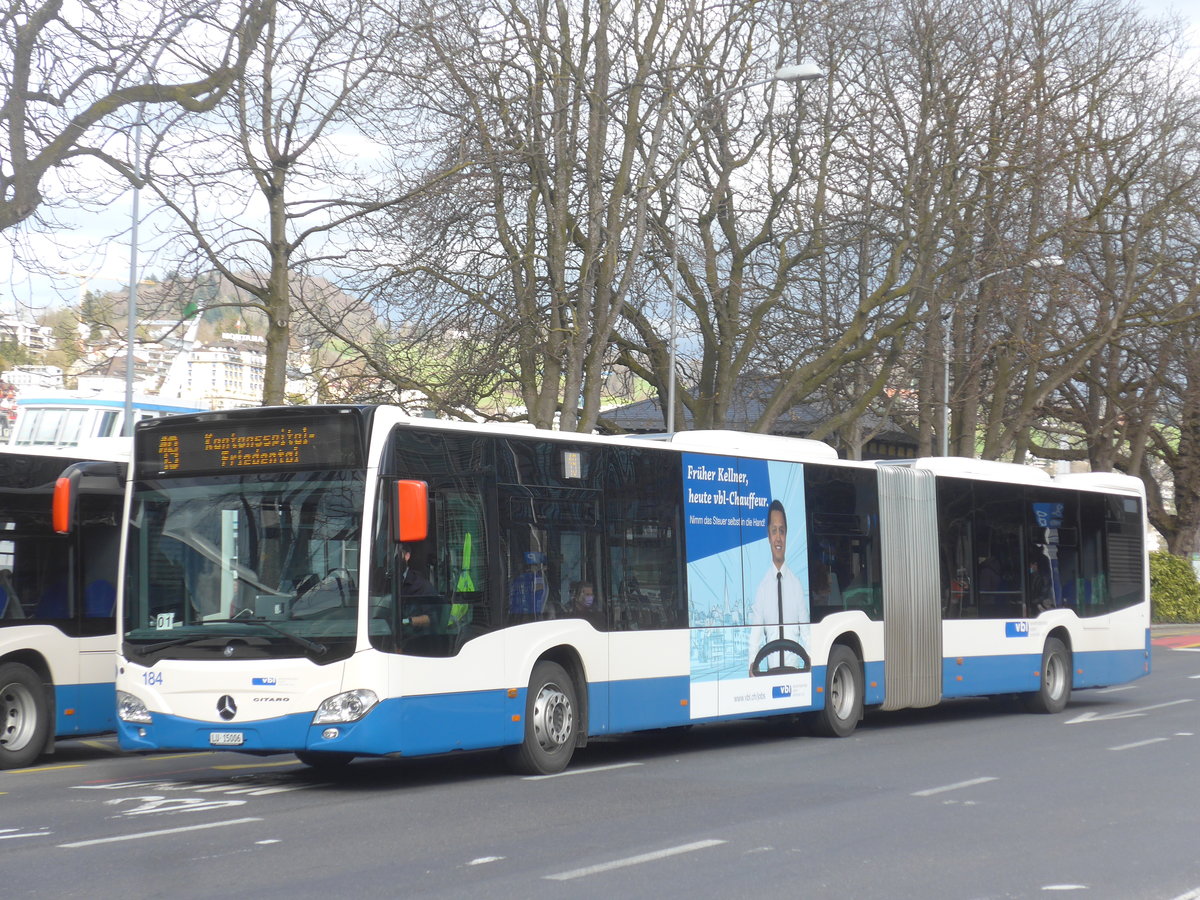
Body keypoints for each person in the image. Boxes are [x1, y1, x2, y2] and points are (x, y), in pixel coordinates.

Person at [746, 499, 809, 676]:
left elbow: (806, 633)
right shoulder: (762, 589)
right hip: (771, 673)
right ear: (768, 536)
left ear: (786, 534)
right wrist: (752, 665)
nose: (778, 537)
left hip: (795, 673)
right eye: (774, 531)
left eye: (781, 531)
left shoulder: (797, 586)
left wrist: (811, 662)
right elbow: (756, 635)